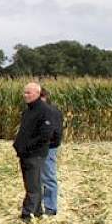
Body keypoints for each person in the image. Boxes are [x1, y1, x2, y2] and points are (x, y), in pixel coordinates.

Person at [12, 82, 54, 222]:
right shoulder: (28, 110)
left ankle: (27, 214)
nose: (25, 95)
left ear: (37, 93)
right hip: (25, 153)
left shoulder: (44, 111)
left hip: (35, 154)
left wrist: (29, 147)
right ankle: (37, 212)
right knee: (31, 184)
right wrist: (18, 145)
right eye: (24, 93)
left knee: (33, 185)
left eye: (28, 93)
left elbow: (46, 135)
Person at [40, 88, 63, 216]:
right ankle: (41, 205)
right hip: (38, 148)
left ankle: (50, 208)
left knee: (48, 177)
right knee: (38, 178)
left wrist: (49, 144)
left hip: (48, 148)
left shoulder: (51, 111)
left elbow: (56, 132)